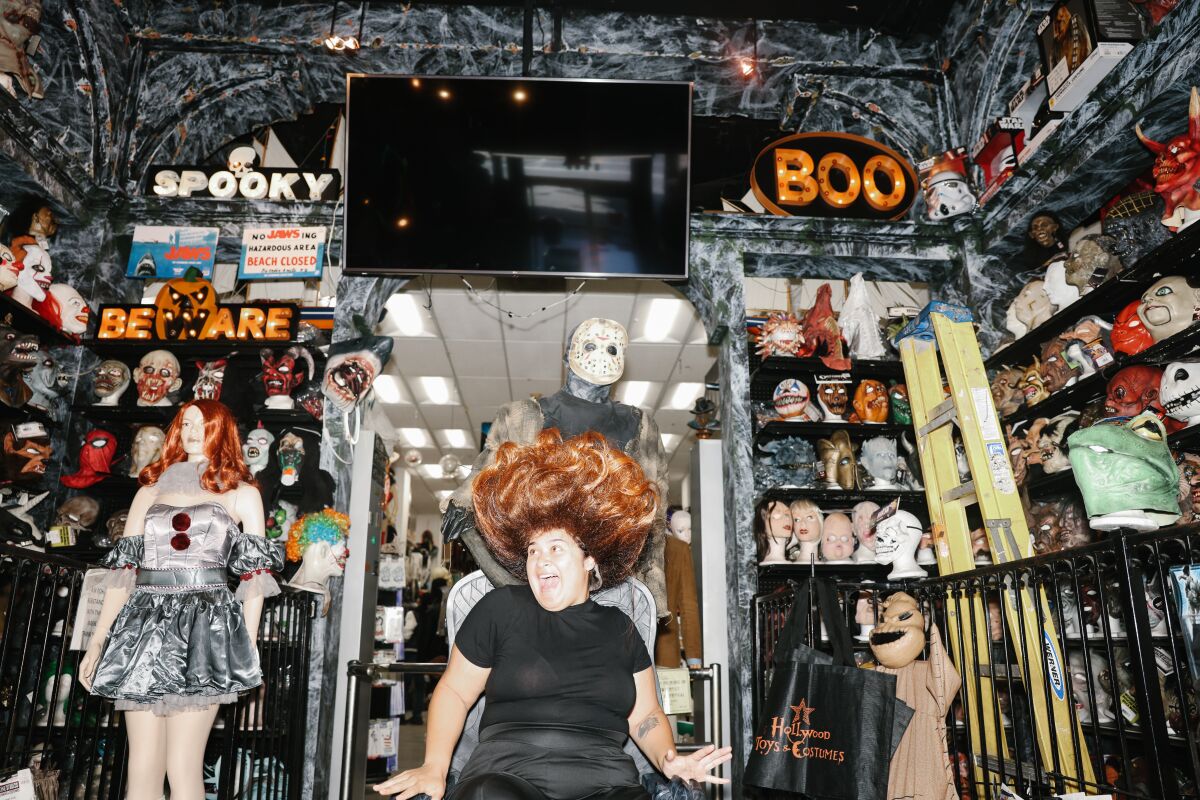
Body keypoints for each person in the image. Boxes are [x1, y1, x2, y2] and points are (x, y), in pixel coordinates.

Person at [376, 430, 731, 800]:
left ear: (590, 558)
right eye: (532, 550)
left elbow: (645, 715)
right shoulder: (501, 609)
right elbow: (453, 692)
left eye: (555, 548)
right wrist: (435, 767)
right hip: (506, 775)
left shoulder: (619, 626)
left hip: (606, 782)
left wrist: (669, 760)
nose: (540, 559)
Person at [78, 399, 282, 800]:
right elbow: (124, 573)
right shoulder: (149, 491)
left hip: (205, 627)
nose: (191, 432)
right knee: (141, 768)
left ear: (221, 430)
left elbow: (255, 579)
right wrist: (99, 639)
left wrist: (245, 647)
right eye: (185, 423)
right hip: (143, 625)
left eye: (202, 424)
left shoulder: (243, 494)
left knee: (183, 768)